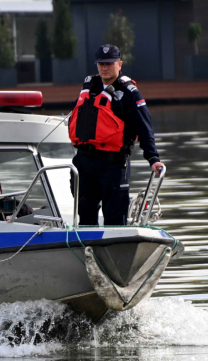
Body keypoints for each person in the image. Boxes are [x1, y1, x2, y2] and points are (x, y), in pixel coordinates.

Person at [69, 44, 164, 226]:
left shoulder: (129, 93)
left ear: (119, 64)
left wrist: (153, 158)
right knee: (85, 215)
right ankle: (87, 250)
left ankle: (116, 250)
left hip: (113, 164)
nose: (105, 68)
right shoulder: (89, 87)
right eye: (101, 64)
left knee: (115, 218)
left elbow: (145, 127)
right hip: (84, 162)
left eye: (109, 64)